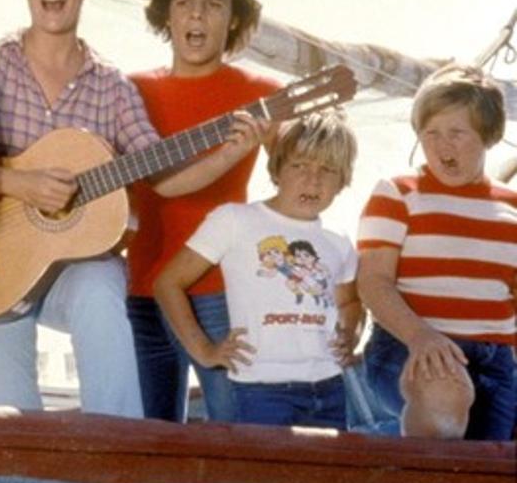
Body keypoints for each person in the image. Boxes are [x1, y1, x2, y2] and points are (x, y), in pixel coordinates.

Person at [0, 0, 267, 417]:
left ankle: (117, 440)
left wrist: (230, 151)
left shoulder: (111, 86)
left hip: (69, 271)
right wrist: (17, 182)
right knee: (11, 425)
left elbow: (163, 176)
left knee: (103, 285)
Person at [126, 0, 281, 423]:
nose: (197, 14)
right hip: (139, 289)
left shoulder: (262, 93)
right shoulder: (129, 89)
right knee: (149, 440)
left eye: (214, 4)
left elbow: (300, 178)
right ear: (166, 15)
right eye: (184, 1)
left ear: (233, 19)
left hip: (220, 288)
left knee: (236, 434)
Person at [155, 111, 362, 428]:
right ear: (276, 169)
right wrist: (204, 350)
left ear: (343, 181)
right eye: (299, 166)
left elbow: (349, 302)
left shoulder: (339, 242)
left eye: (328, 170)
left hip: (329, 387)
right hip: (259, 391)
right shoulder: (235, 220)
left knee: (322, 478)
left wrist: (351, 335)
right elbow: (168, 283)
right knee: (265, 477)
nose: (312, 180)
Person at [357, 64, 516, 440]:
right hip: (408, 343)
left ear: (488, 135)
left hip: (497, 358)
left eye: (456, 133)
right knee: (448, 393)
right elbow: (372, 281)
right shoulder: (398, 193)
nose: (442, 146)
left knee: (489, 464)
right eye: (431, 133)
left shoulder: (512, 207)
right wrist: (420, 337)